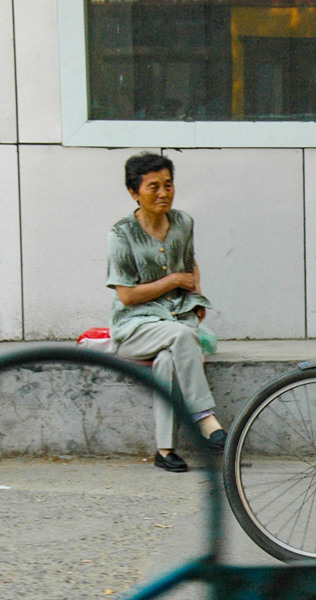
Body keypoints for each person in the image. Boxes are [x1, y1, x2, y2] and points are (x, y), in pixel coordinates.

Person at [106, 152, 226, 471]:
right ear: (134, 193)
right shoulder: (120, 235)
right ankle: (205, 419)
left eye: (168, 184)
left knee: (168, 361)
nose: (163, 193)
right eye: (153, 187)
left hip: (176, 322)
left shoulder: (183, 222)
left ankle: (164, 450)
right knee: (183, 337)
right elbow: (127, 295)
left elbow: (190, 263)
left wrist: (196, 297)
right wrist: (171, 280)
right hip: (135, 327)